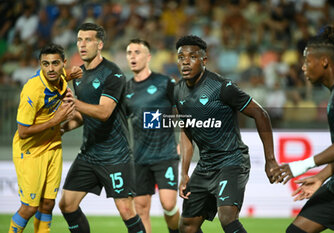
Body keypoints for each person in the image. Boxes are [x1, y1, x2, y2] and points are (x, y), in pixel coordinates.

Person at [174, 35, 280, 233]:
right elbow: (186, 132)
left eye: (192, 57)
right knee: (187, 226)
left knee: (227, 217)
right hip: (206, 165)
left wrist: (270, 159)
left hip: (232, 161)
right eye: (181, 57)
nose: (185, 62)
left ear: (204, 61)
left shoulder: (222, 87)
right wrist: (184, 173)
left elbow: (260, 113)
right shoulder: (177, 91)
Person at [58, 23, 145, 233]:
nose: (82, 44)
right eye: (79, 40)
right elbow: (82, 115)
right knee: (67, 204)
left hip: (116, 156)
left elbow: (104, 112)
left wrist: (72, 103)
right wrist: (59, 129)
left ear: (100, 44)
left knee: (125, 209)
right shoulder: (78, 76)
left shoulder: (112, 74)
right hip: (89, 154)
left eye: (88, 40)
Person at [270, 25, 334, 233]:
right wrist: (321, 177)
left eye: (307, 61)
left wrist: (301, 166)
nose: (303, 68)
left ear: (324, 61)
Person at [9, 43, 75, 233]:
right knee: (30, 207)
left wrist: (75, 73)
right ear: (40, 64)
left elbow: (65, 75)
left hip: (53, 145)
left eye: (55, 63)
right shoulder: (32, 91)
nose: (50, 69)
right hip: (30, 151)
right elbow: (22, 132)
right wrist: (56, 121)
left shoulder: (60, 76)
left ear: (63, 63)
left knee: (48, 203)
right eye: (45, 64)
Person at [125, 38, 180, 233]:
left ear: (148, 57)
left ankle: (175, 230)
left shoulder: (165, 83)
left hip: (165, 154)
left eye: (137, 52)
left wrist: (181, 141)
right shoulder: (126, 89)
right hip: (139, 158)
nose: (132, 56)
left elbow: (182, 112)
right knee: (140, 207)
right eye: (129, 52)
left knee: (168, 203)